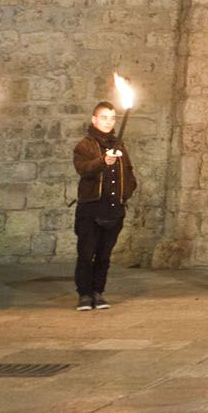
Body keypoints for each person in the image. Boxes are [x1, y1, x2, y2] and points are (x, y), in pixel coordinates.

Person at [72, 101, 137, 310]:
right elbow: (83, 169)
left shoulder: (120, 145)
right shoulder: (84, 145)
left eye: (112, 118)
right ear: (94, 119)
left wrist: (125, 193)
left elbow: (128, 171)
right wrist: (103, 161)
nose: (108, 122)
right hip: (91, 208)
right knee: (86, 252)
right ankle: (84, 294)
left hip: (113, 208)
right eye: (103, 118)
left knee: (104, 254)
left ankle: (98, 292)